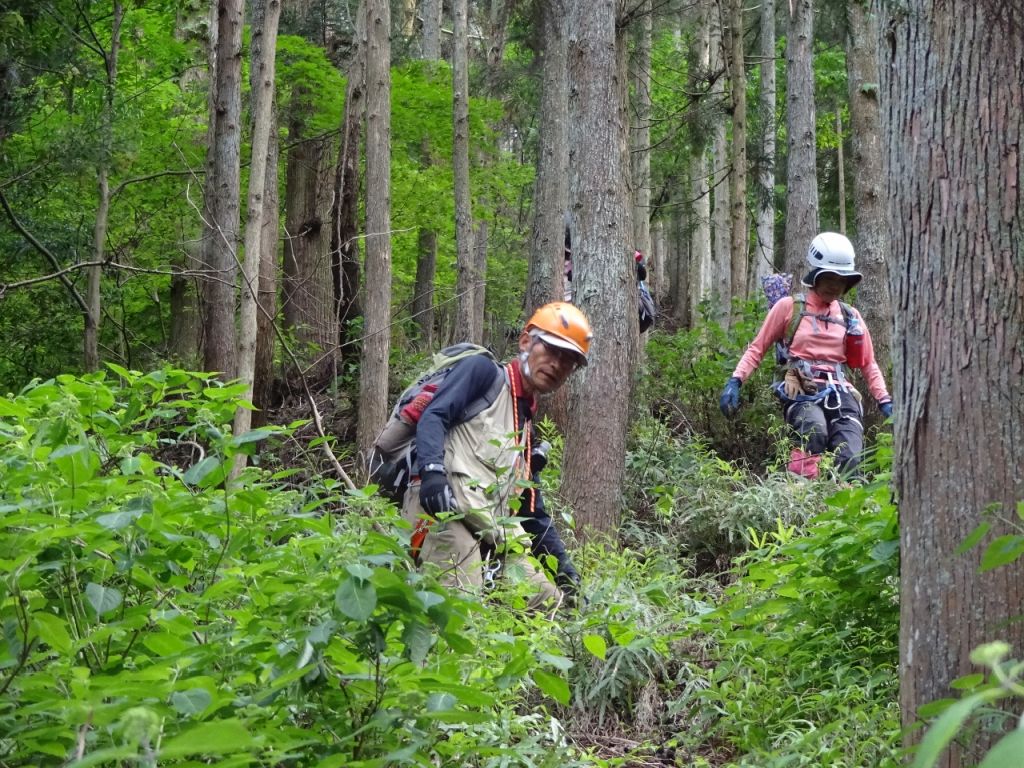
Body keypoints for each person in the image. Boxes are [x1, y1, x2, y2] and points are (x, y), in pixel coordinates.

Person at [403, 301, 591, 608]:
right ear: (526, 341)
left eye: (568, 360)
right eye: (552, 350)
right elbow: (434, 416)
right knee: (460, 612)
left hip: (494, 535)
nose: (557, 364)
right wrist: (433, 473)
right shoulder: (482, 373)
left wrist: (567, 575)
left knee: (548, 604)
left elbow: (533, 514)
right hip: (444, 515)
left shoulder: (525, 428)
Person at [719, 232, 893, 478]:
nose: (835, 285)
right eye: (830, 278)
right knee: (813, 431)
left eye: (842, 280)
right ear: (816, 276)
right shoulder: (789, 308)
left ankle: (845, 507)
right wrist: (735, 381)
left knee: (851, 454)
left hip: (841, 391)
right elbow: (757, 349)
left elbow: (868, 363)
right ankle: (802, 498)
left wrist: (884, 400)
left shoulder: (850, 315)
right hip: (801, 389)